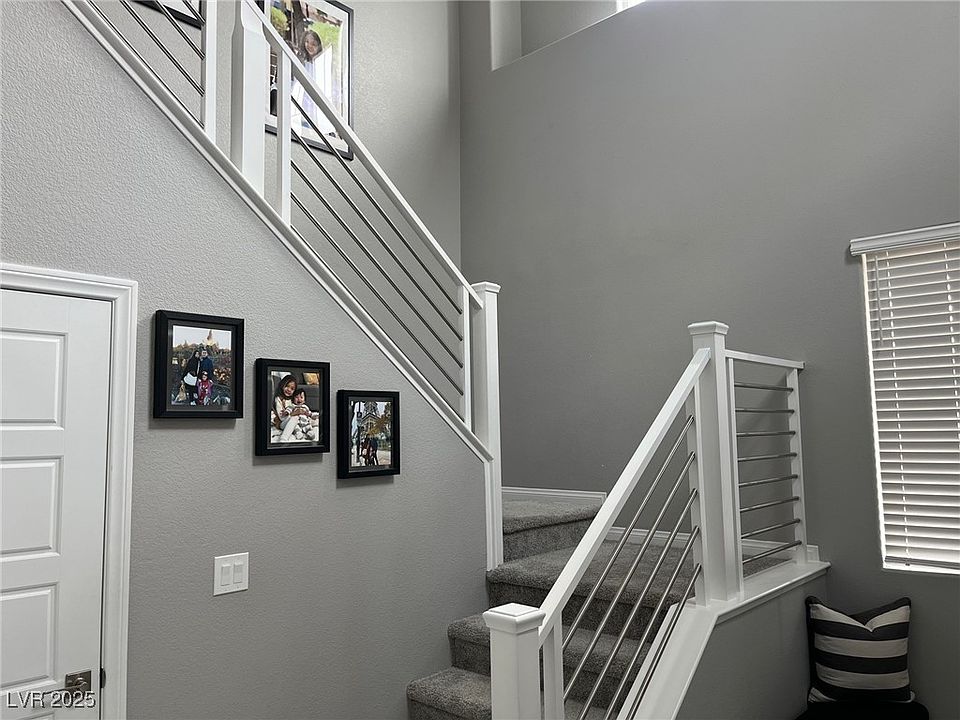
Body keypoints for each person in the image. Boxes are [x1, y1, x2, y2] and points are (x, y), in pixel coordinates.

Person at [290, 28, 335, 137]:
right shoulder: (301, 62)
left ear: (319, 46)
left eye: (313, 44)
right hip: (302, 110)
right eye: (307, 42)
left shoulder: (322, 65)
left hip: (316, 111)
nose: (309, 46)